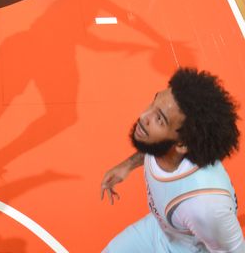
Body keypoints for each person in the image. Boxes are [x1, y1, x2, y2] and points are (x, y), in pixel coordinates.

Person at [100, 68, 244, 252]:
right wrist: (128, 165)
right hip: (161, 232)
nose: (144, 116)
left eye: (159, 119)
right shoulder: (168, 145)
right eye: (153, 102)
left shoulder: (204, 205)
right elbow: (156, 149)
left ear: (182, 144)